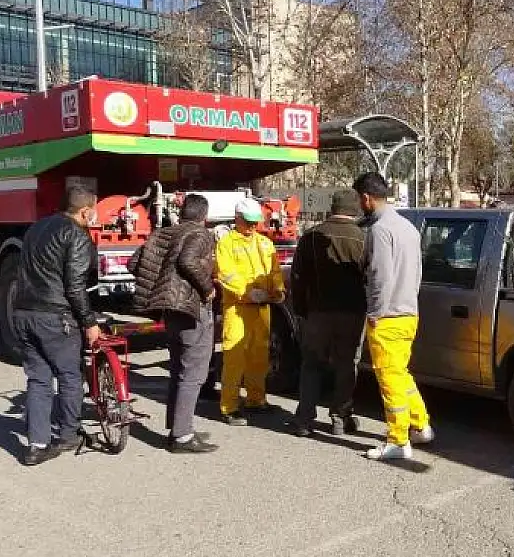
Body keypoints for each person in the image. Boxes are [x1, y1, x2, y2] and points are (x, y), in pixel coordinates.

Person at [13, 186, 101, 466]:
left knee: (38, 378)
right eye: (94, 210)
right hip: (55, 317)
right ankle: (67, 434)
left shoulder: (35, 228)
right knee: (70, 376)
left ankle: (37, 446)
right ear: (85, 211)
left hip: (24, 312)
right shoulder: (76, 235)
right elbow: (75, 287)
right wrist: (89, 322)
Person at [128, 194, 218, 453]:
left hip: (169, 310)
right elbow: (187, 261)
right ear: (204, 216)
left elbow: (135, 263)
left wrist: (162, 285)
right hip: (191, 309)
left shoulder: (162, 233)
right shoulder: (201, 234)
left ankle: (179, 426)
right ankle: (182, 437)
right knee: (193, 373)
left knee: (180, 368)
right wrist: (206, 287)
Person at [354, 172, 433, 461]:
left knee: (389, 379)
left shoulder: (380, 230)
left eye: (358, 199)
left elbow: (380, 276)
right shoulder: (408, 228)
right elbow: (416, 274)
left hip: (386, 317)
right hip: (408, 312)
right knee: (400, 373)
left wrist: (375, 312)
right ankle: (420, 425)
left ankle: (398, 440)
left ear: (366, 198)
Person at [289, 190, 366, 438]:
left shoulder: (311, 236)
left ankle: (304, 420)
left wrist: (301, 310)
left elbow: (297, 278)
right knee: (346, 365)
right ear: (355, 209)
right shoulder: (363, 238)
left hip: (317, 313)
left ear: (333, 208)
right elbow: (370, 278)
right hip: (352, 313)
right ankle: (339, 419)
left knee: (311, 365)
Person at [214, 198, 285, 426]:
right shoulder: (226, 243)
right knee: (234, 358)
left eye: (256, 222)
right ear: (237, 219)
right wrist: (246, 293)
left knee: (259, 357)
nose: (253, 227)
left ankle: (256, 399)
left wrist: (279, 289)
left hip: (262, 308)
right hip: (238, 308)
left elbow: (274, 271)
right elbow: (225, 274)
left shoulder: (265, 243)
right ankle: (229, 407)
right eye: (249, 222)